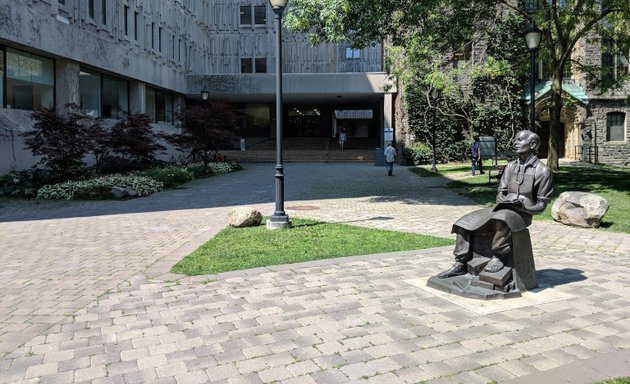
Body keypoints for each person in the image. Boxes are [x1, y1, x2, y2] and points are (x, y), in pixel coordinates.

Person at [438, 130, 553, 278]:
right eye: (516, 140)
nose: (515, 143)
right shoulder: (510, 167)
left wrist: (525, 207)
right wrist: (502, 199)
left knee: (502, 218)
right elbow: (501, 192)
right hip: (502, 207)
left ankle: (499, 256)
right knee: (464, 222)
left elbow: (541, 206)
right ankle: (461, 262)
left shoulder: (543, 171)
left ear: (532, 144)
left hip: (523, 213)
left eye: (520, 140)